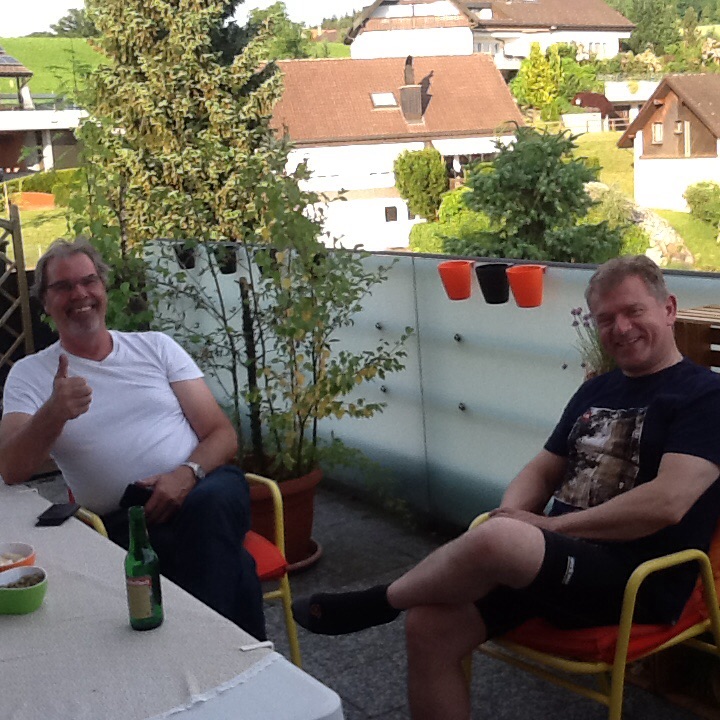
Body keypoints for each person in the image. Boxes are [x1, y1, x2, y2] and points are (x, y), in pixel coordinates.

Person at [291, 255, 720, 720]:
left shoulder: (705, 396)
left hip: (637, 580)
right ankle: (416, 593)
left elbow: (668, 503)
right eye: (605, 319)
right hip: (560, 565)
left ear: (668, 308)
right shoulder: (597, 391)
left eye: (634, 311)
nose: (620, 328)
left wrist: (540, 529)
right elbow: (542, 470)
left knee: (501, 537)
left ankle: (377, 603)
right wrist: (513, 516)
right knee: (428, 627)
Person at [0, 238, 266, 640]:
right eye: (64, 287)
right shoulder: (30, 374)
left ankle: (211, 648)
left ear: (103, 288)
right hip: (131, 520)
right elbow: (11, 469)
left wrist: (185, 475)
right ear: (46, 302)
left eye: (89, 281)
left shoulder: (156, 347)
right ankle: (244, 654)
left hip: (205, 483)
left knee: (206, 512)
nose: (80, 294)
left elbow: (222, 434)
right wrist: (53, 411)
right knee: (231, 563)